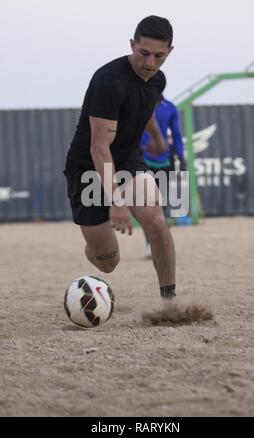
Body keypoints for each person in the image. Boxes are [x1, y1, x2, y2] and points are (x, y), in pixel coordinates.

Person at [64, 15, 177, 301]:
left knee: (155, 219)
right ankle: (93, 245)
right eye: (144, 53)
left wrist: (158, 138)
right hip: (87, 168)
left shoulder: (157, 80)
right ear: (132, 45)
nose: (150, 63)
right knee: (108, 262)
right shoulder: (109, 81)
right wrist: (116, 200)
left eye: (159, 56)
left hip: (127, 160)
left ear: (169, 52)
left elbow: (145, 105)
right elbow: (99, 148)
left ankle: (169, 300)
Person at [140, 95, 186, 258]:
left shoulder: (170, 107)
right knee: (147, 205)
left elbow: (177, 134)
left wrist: (181, 157)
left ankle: (161, 243)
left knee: (162, 205)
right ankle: (149, 244)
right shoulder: (140, 102)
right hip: (141, 159)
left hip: (164, 160)